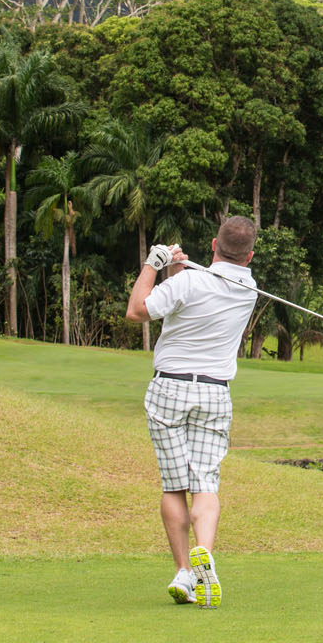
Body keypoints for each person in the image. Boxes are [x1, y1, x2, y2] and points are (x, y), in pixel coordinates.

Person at [126, 215, 258, 609]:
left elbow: (138, 310)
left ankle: (185, 571)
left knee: (173, 485)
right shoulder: (249, 289)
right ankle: (205, 553)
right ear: (249, 256)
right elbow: (194, 294)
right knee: (206, 484)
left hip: (170, 388)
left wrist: (154, 263)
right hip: (215, 394)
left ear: (213, 245)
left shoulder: (188, 282)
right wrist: (178, 268)